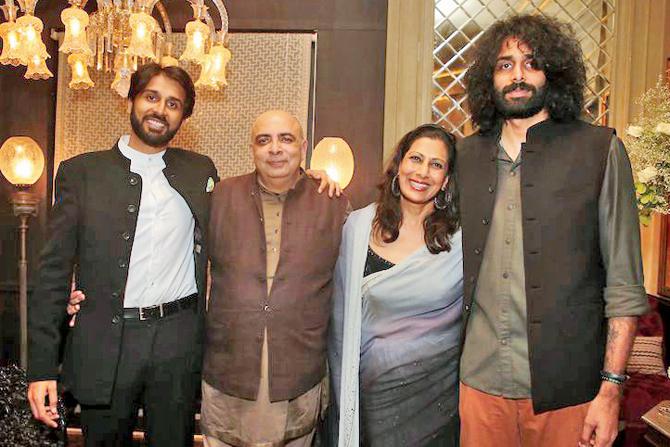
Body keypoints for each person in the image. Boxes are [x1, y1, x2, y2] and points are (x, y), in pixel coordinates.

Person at [457, 15, 649, 447]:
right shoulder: (464, 156)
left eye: (532, 62)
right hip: (478, 385)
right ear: (489, 78)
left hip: (569, 393)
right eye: (505, 65)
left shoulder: (599, 151)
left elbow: (624, 286)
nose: (518, 75)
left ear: (554, 73)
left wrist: (611, 390)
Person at [27, 63, 218, 446]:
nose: (160, 110)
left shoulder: (200, 171)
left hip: (177, 342)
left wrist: (305, 178)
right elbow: (53, 273)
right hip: (107, 339)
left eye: (173, 104)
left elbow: (247, 205)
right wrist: (41, 368)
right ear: (131, 100)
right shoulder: (81, 172)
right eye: (152, 97)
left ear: (183, 116)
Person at [201, 110, 350, 446]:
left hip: (297, 370)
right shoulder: (220, 196)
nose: (275, 149)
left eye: (286, 139)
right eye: (263, 140)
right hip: (230, 367)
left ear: (303, 146)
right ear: (251, 149)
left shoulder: (332, 203)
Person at [330, 124, 462, 446]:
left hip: (435, 402)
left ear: (446, 180)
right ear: (399, 165)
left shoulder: (461, 243)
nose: (423, 172)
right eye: (415, 159)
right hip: (366, 400)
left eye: (436, 164)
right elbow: (335, 315)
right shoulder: (358, 228)